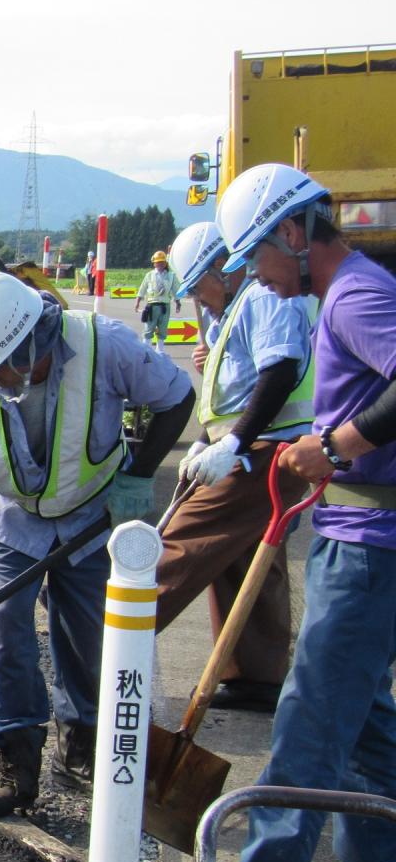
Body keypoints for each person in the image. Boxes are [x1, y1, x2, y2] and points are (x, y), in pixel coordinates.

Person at [207, 163, 396, 862]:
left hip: (372, 547)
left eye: (257, 254)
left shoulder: (357, 294)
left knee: (311, 716)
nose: (254, 272)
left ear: (294, 232)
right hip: (354, 534)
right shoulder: (341, 296)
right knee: (363, 717)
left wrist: (335, 446)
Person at [0, 272, 193, 816]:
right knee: (8, 634)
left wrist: (140, 476)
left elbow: (175, 396)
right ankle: (16, 761)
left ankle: (82, 750)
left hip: (94, 516)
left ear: (31, 343)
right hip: (17, 521)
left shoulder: (104, 344)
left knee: (89, 638)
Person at [154, 220, 315, 712]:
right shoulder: (232, 311)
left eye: (198, 286)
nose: (197, 299)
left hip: (264, 452)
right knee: (247, 564)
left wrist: (233, 444)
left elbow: (281, 370)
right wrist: (208, 440)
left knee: (186, 541)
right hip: (254, 448)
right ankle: (255, 676)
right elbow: (229, 398)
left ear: (222, 270)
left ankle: (106, 634)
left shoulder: (261, 299)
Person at [134, 250, 182, 347]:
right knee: (148, 329)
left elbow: (175, 290)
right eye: (158, 262)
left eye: (162, 262)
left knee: (162, 329)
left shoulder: (171, 276)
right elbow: (142, 289)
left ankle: (160, 351)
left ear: (165, 263)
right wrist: (137, 302)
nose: (160, 264)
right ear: (154, 264)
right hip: (152, 306)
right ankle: (146, 351)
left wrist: (178, 303)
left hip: (165, 307)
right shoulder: (149, 275)